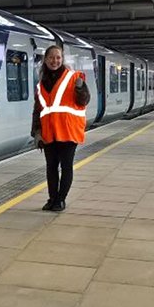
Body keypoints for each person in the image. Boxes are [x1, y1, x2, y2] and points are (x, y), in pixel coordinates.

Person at [31, 45, 90, 212]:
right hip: (49, 132)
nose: (54, 61)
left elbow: (84, 101)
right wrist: (36, 132)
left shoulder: (73, 77)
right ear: (45, 60)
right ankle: (52, 199)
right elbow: (38, 110)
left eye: (58, 57)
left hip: (68, 131)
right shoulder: (41, 84)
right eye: (51, 57)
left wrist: (80, 88)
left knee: (66, 167)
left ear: (62, 59)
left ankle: (60, 200)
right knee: (51, 167)